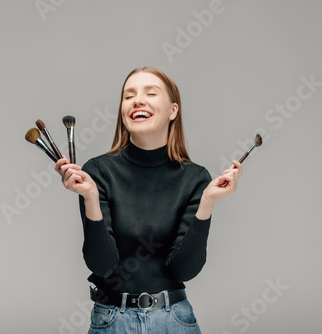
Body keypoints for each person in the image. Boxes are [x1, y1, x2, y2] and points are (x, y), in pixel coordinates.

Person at [54, 66, 242, 333]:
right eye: (129, 95)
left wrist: (207, 204)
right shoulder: (96, 173)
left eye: (150, 93)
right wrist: (91, 199)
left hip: (174, 321)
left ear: (173, 111)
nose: (137, 100)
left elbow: (183, 271)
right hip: (111, 321)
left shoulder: (196, 178)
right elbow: (102, 266)